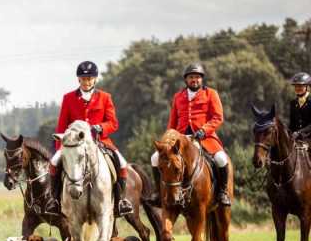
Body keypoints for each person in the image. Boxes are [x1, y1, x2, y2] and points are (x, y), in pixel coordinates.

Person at [45, 61, 133, 217]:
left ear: (95, 79)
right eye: (83, 79)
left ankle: (121, 201)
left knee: (123, 163)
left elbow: (113, 123)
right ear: (79, 80)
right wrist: (61, 147)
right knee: (53, 162)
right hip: (73, 144)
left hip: (100, 142)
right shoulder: (68, 98)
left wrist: (101, 127)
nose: (87, 82)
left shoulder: (105, 97)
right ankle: (54, 201)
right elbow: (61, 126)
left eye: (90, 78)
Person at [149, 63, 231, 206]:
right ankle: (158, 193)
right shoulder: (178, 97)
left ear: (202, 79)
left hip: (205, 138)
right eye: (191, 77)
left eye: (198, 77)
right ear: (186, 80)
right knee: (155, 158)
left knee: (221, 158)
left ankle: (222, 193)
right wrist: (168, 140)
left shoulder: (211, 94)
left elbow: (218, 117)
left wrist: (204, 130)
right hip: (179, 141)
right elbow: (172, 123)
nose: (195, 80)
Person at [289, 72, 311, 141]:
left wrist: (299, 132)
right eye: (296, 86)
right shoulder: (293, 103)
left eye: (300, 86)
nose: (297, 88)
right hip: (296, 138)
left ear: (307, 86)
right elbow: (292, 124)